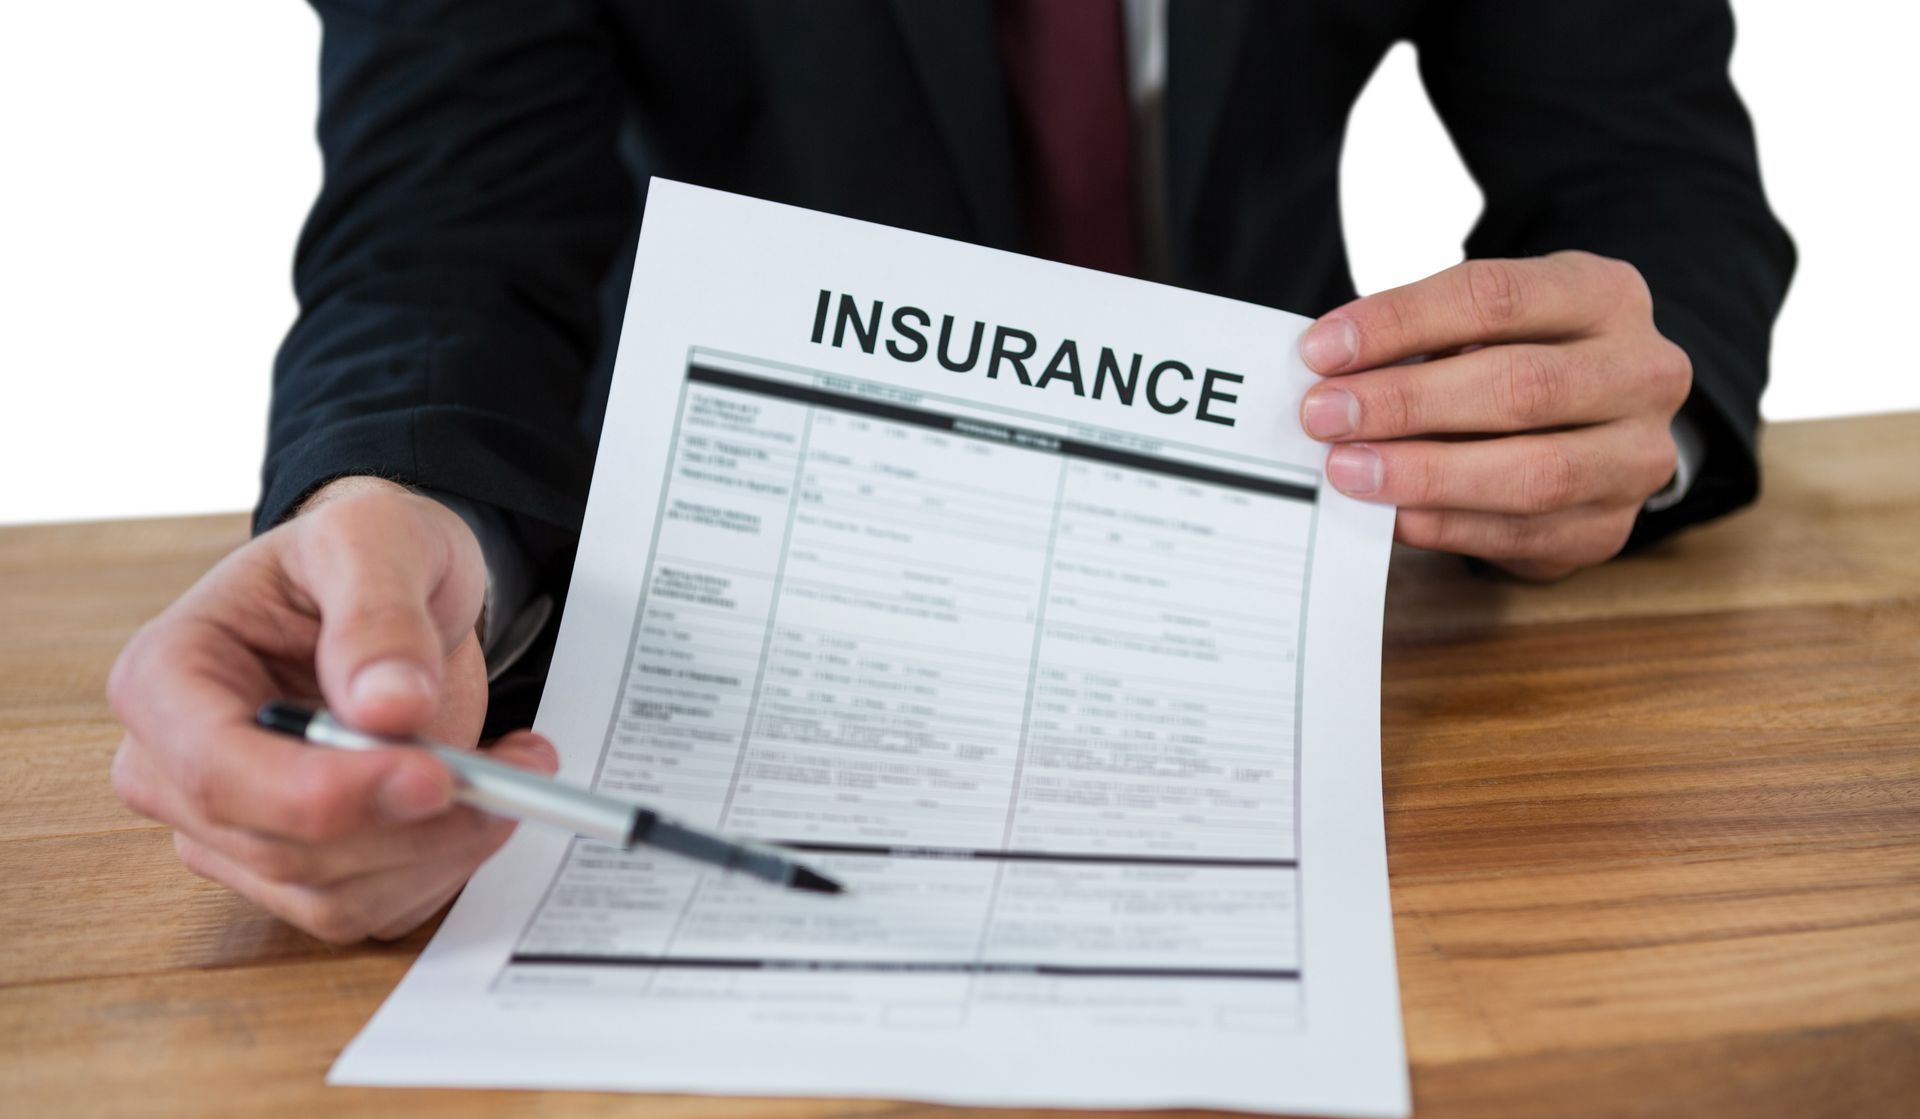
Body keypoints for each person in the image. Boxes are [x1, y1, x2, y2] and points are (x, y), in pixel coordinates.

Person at [108, 1, 1794, 944]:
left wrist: (1623, 425)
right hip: (736, 603)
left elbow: (1653, 184)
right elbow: (441, 241)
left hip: (1296, 598)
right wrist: (400, 511)